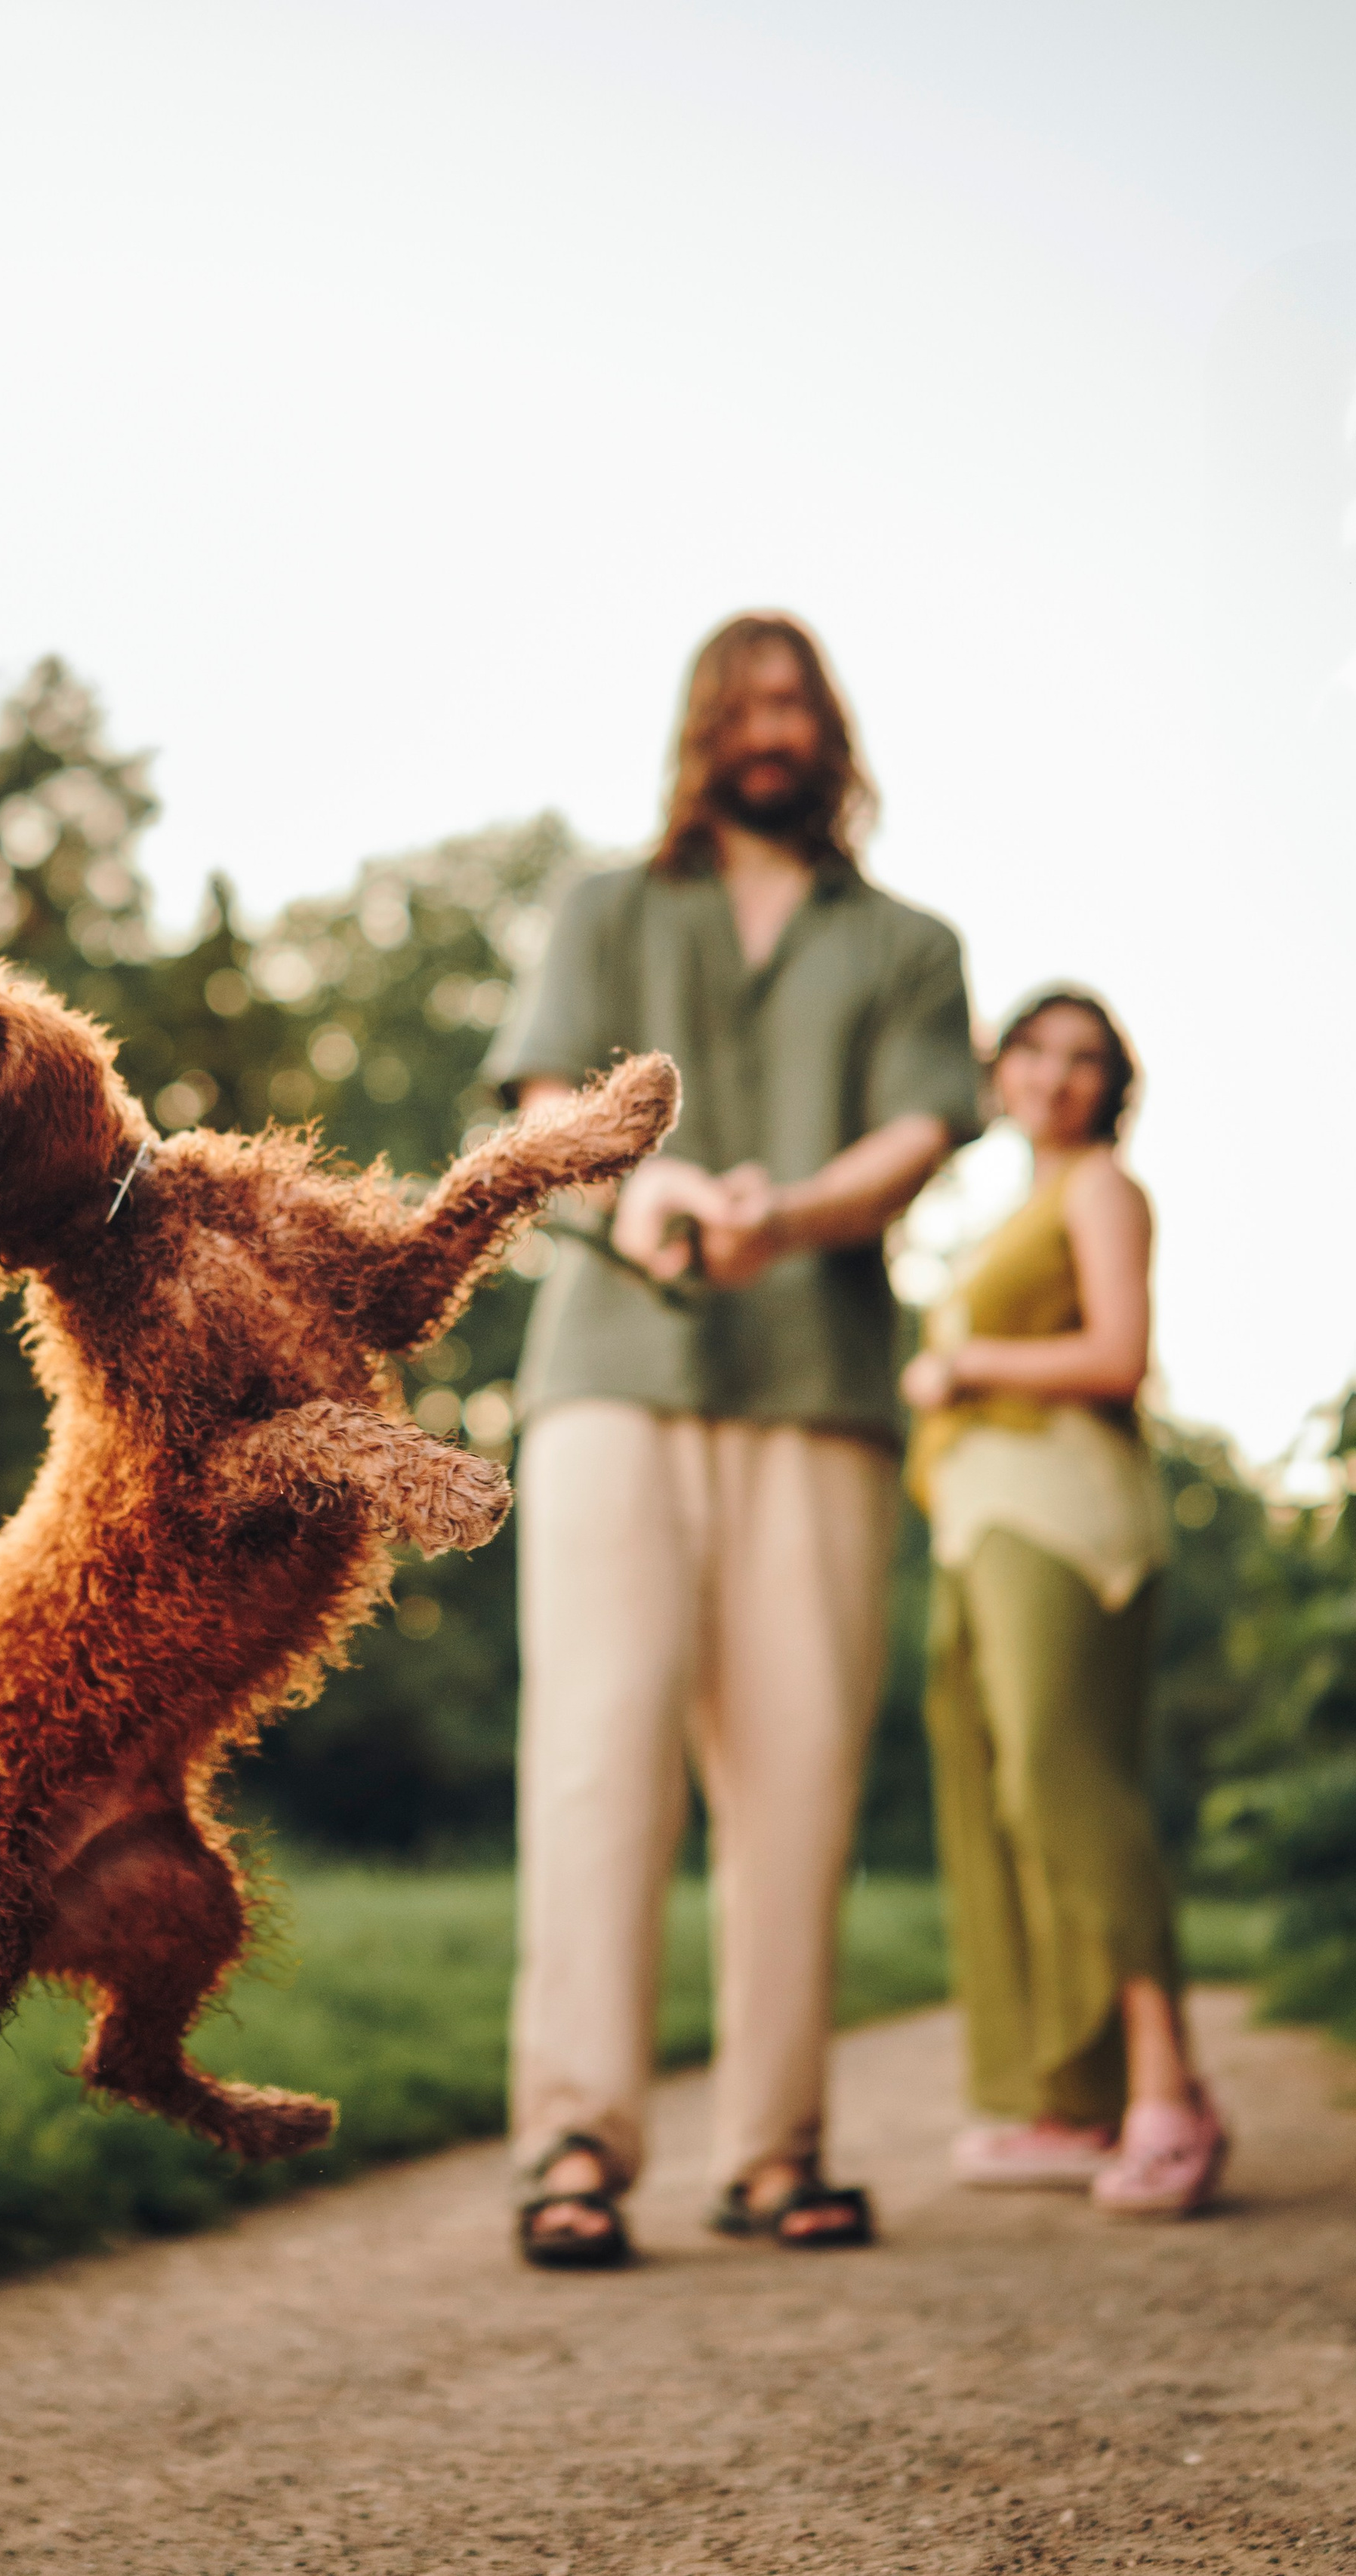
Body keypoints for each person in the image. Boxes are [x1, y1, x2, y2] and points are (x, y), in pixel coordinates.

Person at [485, 611, 981, 2264]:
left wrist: (798, 1213)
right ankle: (570, 2147)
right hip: (611, 1374)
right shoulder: (608, 909)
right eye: (744, 700)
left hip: (818, 1388)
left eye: (798, 700)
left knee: (795, 1783)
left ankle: (777, 2154)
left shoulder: (907, 944)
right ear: (702, 729)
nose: (773, 725)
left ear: (831, 733)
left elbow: (916, 1133)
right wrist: (647, 1197)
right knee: (594, 1761)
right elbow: (546, 1103)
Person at [900, 989, 1227, 2216]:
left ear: (1113, 1087)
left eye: (1085, 1058)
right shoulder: (1019, 1208)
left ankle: (1169, 2092)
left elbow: (1117, 1355)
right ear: (1001, 1071)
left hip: (1066, 1518)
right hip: (981, 1524)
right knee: (995, 1798)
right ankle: (1073, 2099)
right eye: (1034, 1050)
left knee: (1060, 1778)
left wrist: (963, 1363)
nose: (1055, 1074)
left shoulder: (1099, 1189)